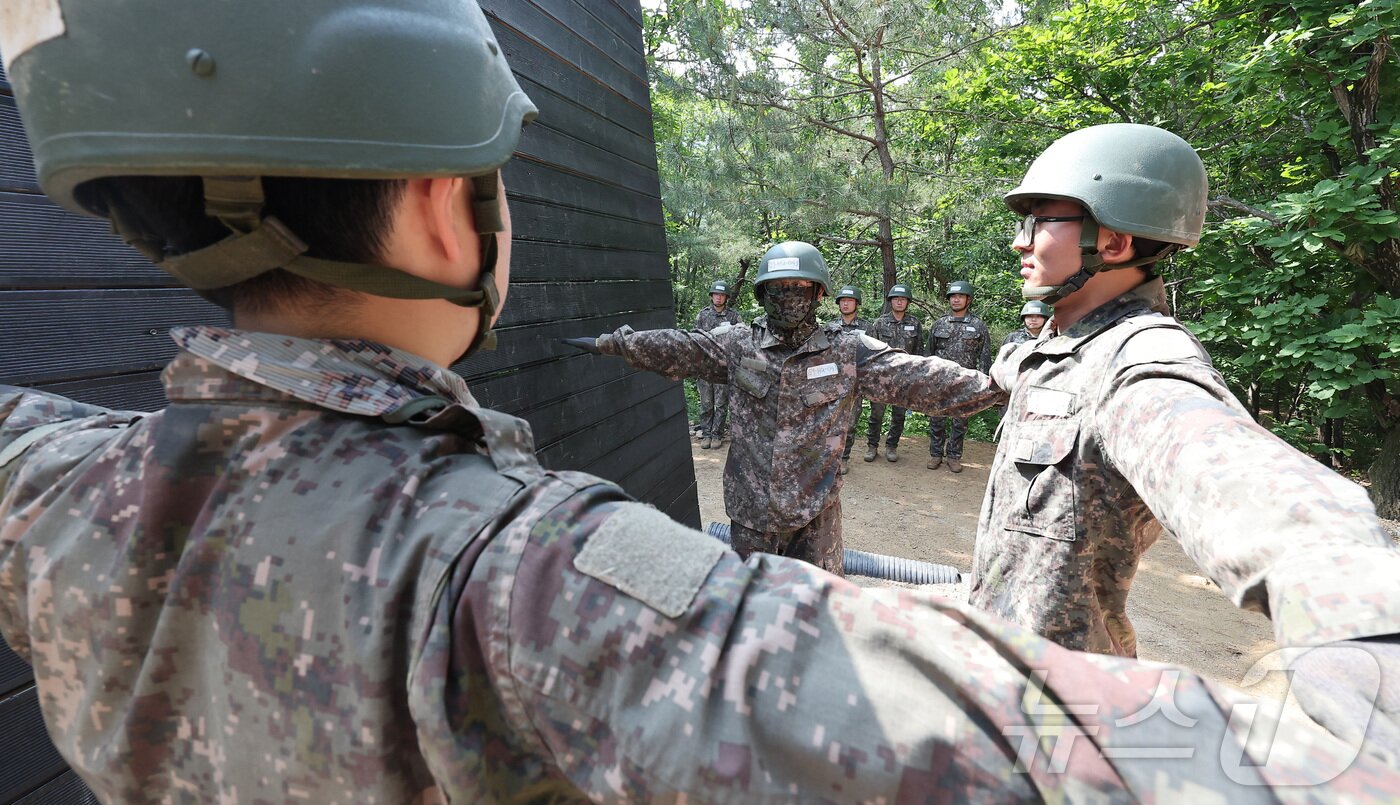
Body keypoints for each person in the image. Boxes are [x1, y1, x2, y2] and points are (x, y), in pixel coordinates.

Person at [3, 6, 1399, 798]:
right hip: (770, 539)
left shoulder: (53, 479)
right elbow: (681, 358)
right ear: (440, 209)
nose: (786, 311)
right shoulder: (546, 576)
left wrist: (999, 390)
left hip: (823, 535)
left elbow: (946, 384)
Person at [971, 122, 1400, 755]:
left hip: (1057, 717)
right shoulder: (1059, 345)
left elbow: (1244, 482)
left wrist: (1365, 620)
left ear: (1113, 242)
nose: (1020, 240)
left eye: (1042, 221)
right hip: (997, 682)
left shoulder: (1140, 362)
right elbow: (1009, 370)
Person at [568, 242, 999, 575]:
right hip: (751, 515)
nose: (788, 297)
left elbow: (920, 376)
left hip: (815, 518)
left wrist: (999, 387)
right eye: (777, 289)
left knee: (818, 616)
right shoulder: (737, 344)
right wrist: (614, 343)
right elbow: (677, 347)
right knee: (750, 616)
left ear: (819, 292)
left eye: (798, 288)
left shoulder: (848, 351)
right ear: (762, 294)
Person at [926, 280, 992, 472]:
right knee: (936, 418)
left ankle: (954, 456)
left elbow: (984, 356)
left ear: (968, 300)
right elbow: (928, 354)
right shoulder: (939, 324)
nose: (956, 299)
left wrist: (985, 384)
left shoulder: (978, 325)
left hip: (965, 383)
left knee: (960, 421)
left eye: (960, 296)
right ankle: (936, 454)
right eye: (953, 296)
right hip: (940, 381)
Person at [863, 283, 923, 462]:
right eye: (896, 299)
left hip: (904, 378)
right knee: (876, 414)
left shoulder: (914, 324)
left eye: (903, 299)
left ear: (908, 302)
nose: (899, 302)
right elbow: (870, 350)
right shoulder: (879, 323)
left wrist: (916, 377)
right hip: (881, 378)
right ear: (890, 301)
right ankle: (872, 446)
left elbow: (919, 352)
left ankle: (891, 446)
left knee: (899, 415)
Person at [693, 279, 743, 449]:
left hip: (723, 367)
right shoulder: (702, 315)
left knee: (721, 404)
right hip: (705, 367)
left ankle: (717, 435)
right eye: (716, 294)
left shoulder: (734, 317)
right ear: (711, 296)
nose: (718, 297)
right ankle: (706, 434)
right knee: (706, 403)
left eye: (722, 295)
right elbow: (694, 340)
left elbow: (742, 340)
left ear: (726, 297)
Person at [828, 284, 871, 474]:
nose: (846, 304)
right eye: (843, 301)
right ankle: (830, 458)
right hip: (833, 383)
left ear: (857, 304)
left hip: (855, 383)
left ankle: (844, 458)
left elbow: (871, 355)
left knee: (850, 423)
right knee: (830, 422)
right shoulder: (829, 327)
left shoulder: (867, 327)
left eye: (850, 301)